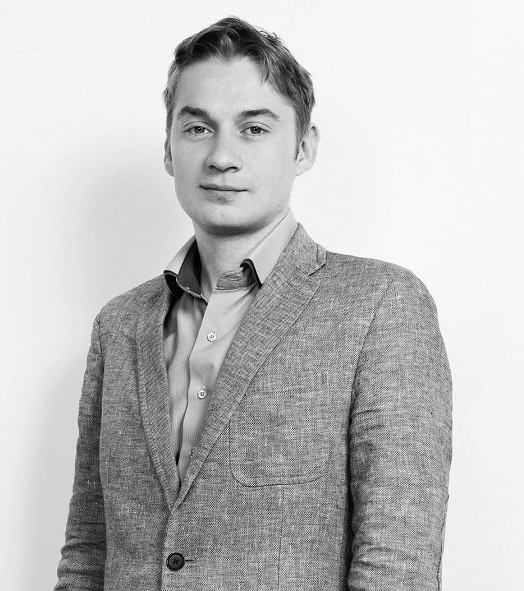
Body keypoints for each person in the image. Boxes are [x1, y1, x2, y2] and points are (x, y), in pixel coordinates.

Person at [55, 16, 452, 591]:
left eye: (254, 128)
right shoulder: (119, 324)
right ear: (168, 149)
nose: (222, 156)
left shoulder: (379, 308)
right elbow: (89, 547)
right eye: (198, 128)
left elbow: (398, 563)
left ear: (304, 148)